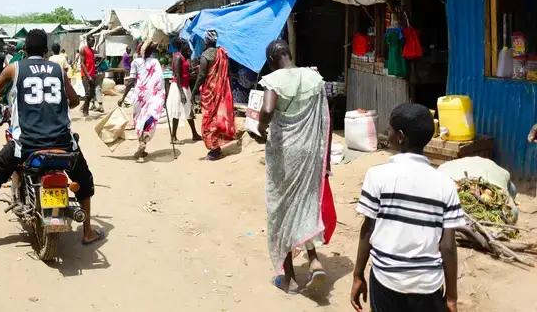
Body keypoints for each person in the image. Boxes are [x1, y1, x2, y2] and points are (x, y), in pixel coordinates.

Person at [0, 29, 104, 249]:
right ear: (45, 51)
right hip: (63, 144)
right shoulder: (58, 69)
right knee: (85, 180)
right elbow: (74, 101)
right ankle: (87, 231)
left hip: (27, 145)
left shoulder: (15, 68)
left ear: (23, 50)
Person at [351, 103, 463, 312]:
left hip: (386, 279)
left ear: (400, 136)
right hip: (427, 286)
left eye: (390, 130)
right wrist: (452, 297)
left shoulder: (377, 176)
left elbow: (368, 229)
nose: (388, 134)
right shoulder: (445, 185)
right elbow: (447, 246)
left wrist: (358, 275)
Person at [255, 39, 336, 294]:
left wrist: (261, 127)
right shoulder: (314, 78)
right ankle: (313, 261)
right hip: (311, 152)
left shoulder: (273, 80)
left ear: (271, 60)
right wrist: (325, 158)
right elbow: (326, 120)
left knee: (282, 208)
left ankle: (288, 278)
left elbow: (267, 109)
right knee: (305, 203)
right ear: (290, 54)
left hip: (284, 152)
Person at [118, 41, 166, 163]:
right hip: (153, 95)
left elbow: (130, 81)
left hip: (139, 95)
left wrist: (123, 98)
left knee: (139, 119)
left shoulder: (136, 62)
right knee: (150, 116)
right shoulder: (156, 62)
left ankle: (141, 144)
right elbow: (161, 80)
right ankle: (144, 140)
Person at [191, 30, 236, 160]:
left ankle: (214, 149)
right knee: (217, 117)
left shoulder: (206, 55)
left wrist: (194, 91)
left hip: (210, 92)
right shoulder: (222, 53)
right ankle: (217, 145)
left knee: (209, 120)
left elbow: (202, 75)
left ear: (206, 40)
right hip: (221, 90)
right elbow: (228, 73)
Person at [167, 38, 201, 144]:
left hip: (185, 87)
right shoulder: (177, 57)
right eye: (186, 45)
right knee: (177, 111)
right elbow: (177, 75)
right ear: (182, 46)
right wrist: (181, 93)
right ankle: (173, 137)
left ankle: (194, 134)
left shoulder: (183, 57)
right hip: (178, 88)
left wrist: (192, 73)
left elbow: (184, 74)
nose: (188, 47)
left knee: (188, 110)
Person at [79, 35, 97, 117]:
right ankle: (85, 112)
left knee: (92, 93)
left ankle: (84, 107)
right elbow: (82, 63)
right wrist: (88, 76)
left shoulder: (92, 51)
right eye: (92, 41)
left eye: (94, 41)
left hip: (92, 74)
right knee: (88, 92)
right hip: (86, 75)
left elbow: (92, 64)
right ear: (87, 41)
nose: (93, 42)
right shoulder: (83, 49)